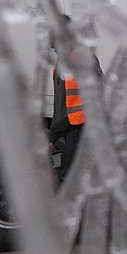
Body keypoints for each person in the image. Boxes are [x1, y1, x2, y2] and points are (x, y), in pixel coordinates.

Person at [49, 40, 102, 181]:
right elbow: (61, 106)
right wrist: (53, 136)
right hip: (73, 126)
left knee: (70, 176)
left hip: (82, 126)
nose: (51, 44)